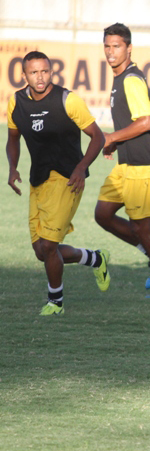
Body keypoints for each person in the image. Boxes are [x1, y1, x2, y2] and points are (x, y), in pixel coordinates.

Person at [5, 51, 108, 315]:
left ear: (51, 71)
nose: (40, 77)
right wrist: (13, 167)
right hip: (37, 180)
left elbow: (97, 137)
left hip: (67, 179)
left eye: (44, 71)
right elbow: (13, 138)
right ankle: (95, 259)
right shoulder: (16, 102)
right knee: (42, 251)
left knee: (49, 246)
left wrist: (81, 168)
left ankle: (56, 302)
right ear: (24, 75)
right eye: (34, 72)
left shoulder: (67, 99)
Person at [94, 22, 150, 298]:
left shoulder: (131, 78)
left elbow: (145, 122)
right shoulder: (120, 76)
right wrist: (117, 142)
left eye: (116, 46)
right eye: (107, 46)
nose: (111, 52)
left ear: (129, 49)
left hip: (145, 165)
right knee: (103, 214)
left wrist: (110, 138)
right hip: (127, 164)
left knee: (142, 227)